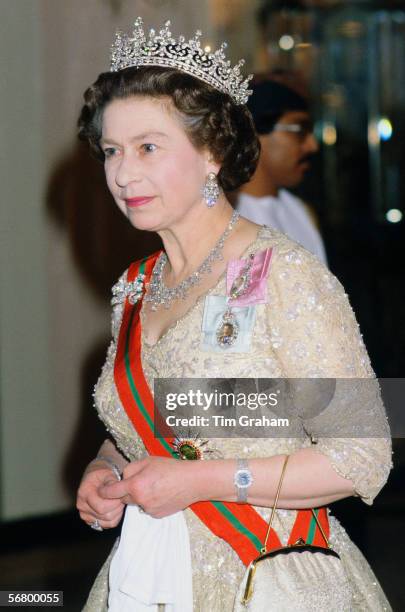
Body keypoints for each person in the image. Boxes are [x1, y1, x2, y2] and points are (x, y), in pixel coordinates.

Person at [76, 17, 392, 611]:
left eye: (148, 147)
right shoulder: (137, 285)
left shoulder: (282, 274)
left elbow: (362, 457)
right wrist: (107, 464)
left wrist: (197, 481)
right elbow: (161, 422)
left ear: (212, 153)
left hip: (268, 577)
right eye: (112, 151)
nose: (123, 173)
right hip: (154, 571)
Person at [235, 78, 328, 265]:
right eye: (299, 130)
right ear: (255, 132)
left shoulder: (302, 211)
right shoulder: (226, 217)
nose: (312, 145)